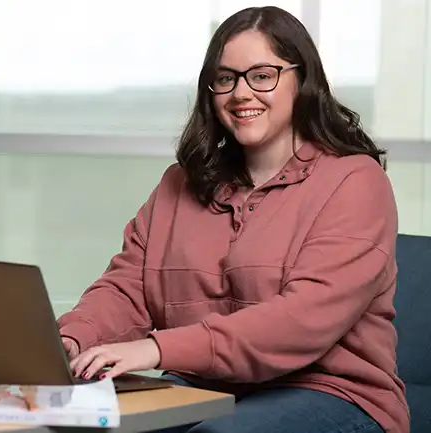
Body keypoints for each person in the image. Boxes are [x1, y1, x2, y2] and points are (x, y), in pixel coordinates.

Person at [56, 6, 409, 433]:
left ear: (303, 79)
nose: (241, 93)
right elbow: (128, 287)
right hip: (201, 388)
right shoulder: (179, 183)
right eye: (226, 78)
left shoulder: (354, 181)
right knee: (73, 422)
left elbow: (300, 322)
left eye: (262, 75)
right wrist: (70, 337)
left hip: (331, 393)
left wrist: (155, 349)